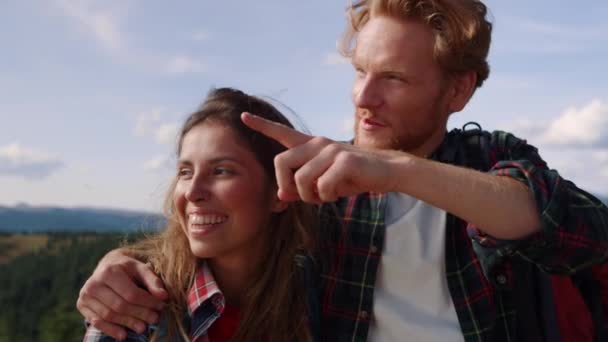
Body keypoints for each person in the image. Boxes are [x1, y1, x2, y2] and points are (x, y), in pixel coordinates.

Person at [78, 0, 608, 341]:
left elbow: (581, 230)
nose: (363, 97)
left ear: (458, 89)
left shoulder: (489, 162)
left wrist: (397, 171)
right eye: (359, 71)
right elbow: (229, 239)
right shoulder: (320, 177)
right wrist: (121, 260)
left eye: (394, 78)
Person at [82, 87, 318, 341]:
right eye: (185, 172)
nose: (193, 192)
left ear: (279, 191)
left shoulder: (316, 291)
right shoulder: (134, 308)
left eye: (221, 171)